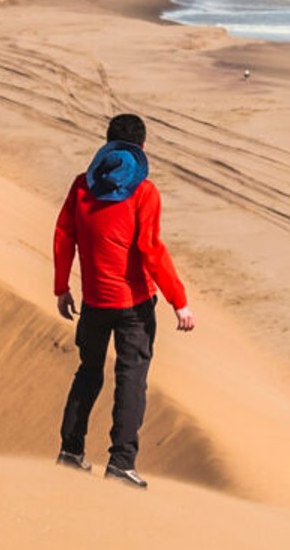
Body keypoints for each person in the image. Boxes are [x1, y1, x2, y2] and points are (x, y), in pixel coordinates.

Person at [52, 111, 191, 486]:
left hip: (94, 303)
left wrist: (62, 287)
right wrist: (179, 300)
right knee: (131, 379)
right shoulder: (144, 192)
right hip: (134, 306)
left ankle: (70, 450)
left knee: (88, 373)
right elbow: (151, 249)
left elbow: (64, 236)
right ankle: (121, 463)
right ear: (143, 147)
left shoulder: (82, 186)